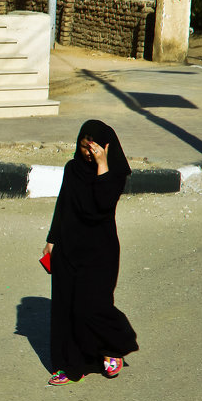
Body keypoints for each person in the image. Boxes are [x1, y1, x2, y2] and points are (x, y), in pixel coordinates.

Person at [41, 119, 139, 385]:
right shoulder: (72, 169)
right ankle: (70, 365)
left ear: (106, 147)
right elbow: (63, 204)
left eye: (93, 147)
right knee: (66, 309)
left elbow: (103, 203)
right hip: (68, 248)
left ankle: (114, 347)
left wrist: (102, 165)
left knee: (92, 307)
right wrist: (52, 239)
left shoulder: (116, 173)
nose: (87, 152)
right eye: (84, 147)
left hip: (100, 251)